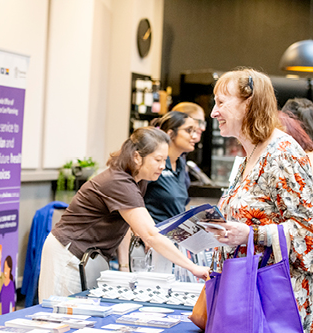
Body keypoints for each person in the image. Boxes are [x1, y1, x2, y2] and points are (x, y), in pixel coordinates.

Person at [38, 127, 209, 300]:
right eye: (158, 159)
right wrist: (193, 268)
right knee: (61, 317)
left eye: (165, 160)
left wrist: (124, 265)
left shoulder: (138, 180)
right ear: (136, 157)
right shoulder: (119, 182)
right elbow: (151, 234)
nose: (162, 166)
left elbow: (131, 225)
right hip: (68, 253)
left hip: (89, 255)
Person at [209, 67, 313, 331]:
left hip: (273, 302)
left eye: (221, 103)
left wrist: (252, 235)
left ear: (249, 104)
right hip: (244, 295)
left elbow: (308, 230)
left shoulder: (283, 152)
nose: (214, 112)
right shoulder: (251, 153)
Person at [145, 111, 198, 223]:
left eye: (195, 131)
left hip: (174, 237)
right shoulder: (154, 163)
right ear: (170, 134)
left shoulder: (181, 164)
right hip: (153, 236)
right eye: (189, 130)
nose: (195, 136)